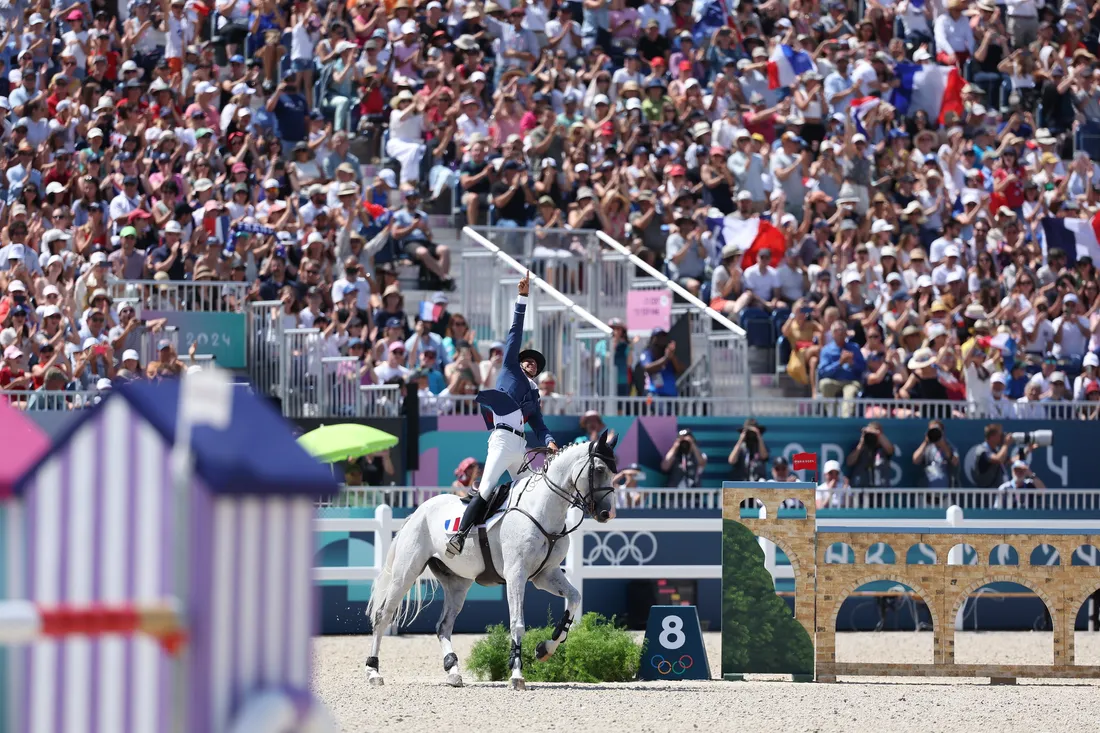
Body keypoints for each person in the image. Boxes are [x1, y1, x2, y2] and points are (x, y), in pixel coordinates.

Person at [447, 271, 557, 558]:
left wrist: (551, 440)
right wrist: (522, 298)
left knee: (531, 490)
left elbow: (540, 425)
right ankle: (459, 535)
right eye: (527, 359)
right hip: (502, 439)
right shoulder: (509, 368)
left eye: (535, 363)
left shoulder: (534, 395)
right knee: (485, 488)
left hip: (520, 446)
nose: (531, 363)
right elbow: (515, 332)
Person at [845, 422, 896, 504]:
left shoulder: (883, 448)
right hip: (860, 490)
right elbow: (849, 462)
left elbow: (890, 450)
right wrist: (862, 443)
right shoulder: (858, 446)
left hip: (880, 491)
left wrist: (877, 434)